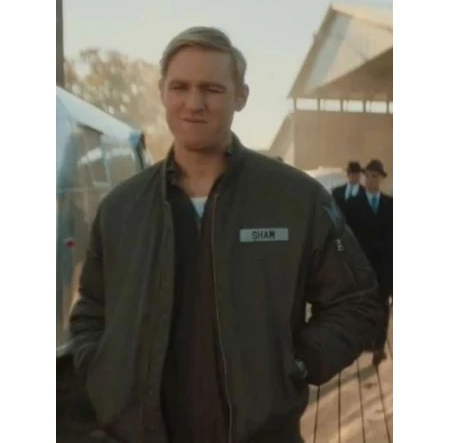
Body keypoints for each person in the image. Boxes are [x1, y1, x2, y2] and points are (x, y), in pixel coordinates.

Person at [70, 26, 384, 443]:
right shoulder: (122, 209)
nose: (194, 103)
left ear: (241, 96)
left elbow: (357, 302)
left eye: (212, 89)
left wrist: (298, 363)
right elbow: (92, 312)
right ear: (162, 92)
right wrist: (105, 374)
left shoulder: (295, 199)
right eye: (180, 87)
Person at [347, 159, 393, 367]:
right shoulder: (353, 205)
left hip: (384, 268)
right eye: (369, 176)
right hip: (361, 266)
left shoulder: (391, 205)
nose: (371, 180)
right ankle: (362, 342)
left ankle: (379, 347)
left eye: (376, 176)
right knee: (361, 306)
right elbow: (343, 236)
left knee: (382, 307)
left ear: (382, 179)